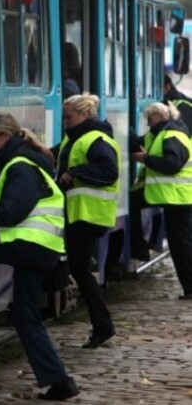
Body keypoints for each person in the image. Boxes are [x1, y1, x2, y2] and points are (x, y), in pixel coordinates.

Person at [0, 113, 79, 401]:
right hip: (38, 249)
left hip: (29, 247)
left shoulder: (20, 167)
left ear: (5, 137)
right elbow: (10, 206)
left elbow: (8, 215)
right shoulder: (24, 162)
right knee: (27, 320)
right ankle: (59, 382)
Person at [54, 93, 119, 348]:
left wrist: (75, 173)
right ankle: (103, 325)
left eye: (68, 117)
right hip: (82, 214)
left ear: (83, 115)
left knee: (80, 269)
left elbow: (108, 170)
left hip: (89, 215)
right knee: (80, 269)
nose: (65, 122)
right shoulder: (77, 139)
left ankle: (103, 325)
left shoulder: (94, 139)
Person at [130, 102, 192, 300]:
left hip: (179, 197)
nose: (148, 124)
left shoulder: (173, 135)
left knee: (180, 243)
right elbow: (138, 140)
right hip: (167, 195)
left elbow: (172, 164)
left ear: (160, 116)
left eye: (150, 119)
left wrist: (145, 159)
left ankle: (190, 287)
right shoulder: (157, 134)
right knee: (132, 202)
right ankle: (139, 247)